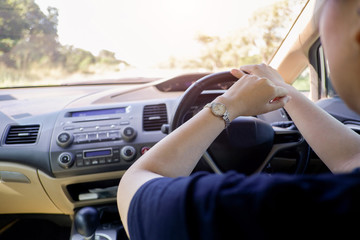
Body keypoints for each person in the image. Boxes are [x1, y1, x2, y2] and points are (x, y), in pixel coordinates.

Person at [117, 0, 360, 239]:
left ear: (357, 35)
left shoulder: (252, 208)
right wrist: (285, 89)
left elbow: (135, 185)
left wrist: (228, 106)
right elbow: (351, 157)